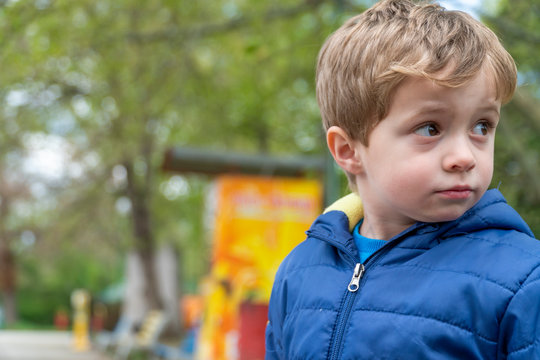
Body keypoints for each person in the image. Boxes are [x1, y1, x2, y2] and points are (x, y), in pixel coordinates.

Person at [265, 0, 540, 359]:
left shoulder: (523, 279)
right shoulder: (299, 273)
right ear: (348, 150)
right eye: (430, 128)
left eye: (481, 126)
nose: (464, 157)